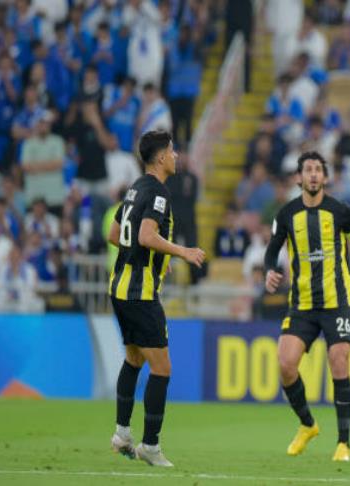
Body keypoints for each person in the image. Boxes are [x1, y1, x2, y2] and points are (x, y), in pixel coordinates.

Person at [263, 151, 350, 462]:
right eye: (307, 170)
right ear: (298, 178)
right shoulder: (286, 214)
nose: (313, 174)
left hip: (336, 302)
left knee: (338, 359)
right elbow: (272, 251)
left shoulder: (340, 211)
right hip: (301, 304)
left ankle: (343, 443)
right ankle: (308, 424)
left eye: (317, 170)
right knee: (285, 364)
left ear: (325, 178)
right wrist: (269, 270)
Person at [108, 130, 206, 467]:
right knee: (162, 368)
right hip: (140, 292)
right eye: (173, 151)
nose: (177, 156)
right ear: (161, 157)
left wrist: (138, 254)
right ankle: (149, 445)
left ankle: (122, 432)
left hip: (119, 287)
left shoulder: (135, 188)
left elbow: (113, 234)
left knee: (134, 358)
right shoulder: (159, 193)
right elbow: (147, 235)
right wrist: (183, 251)